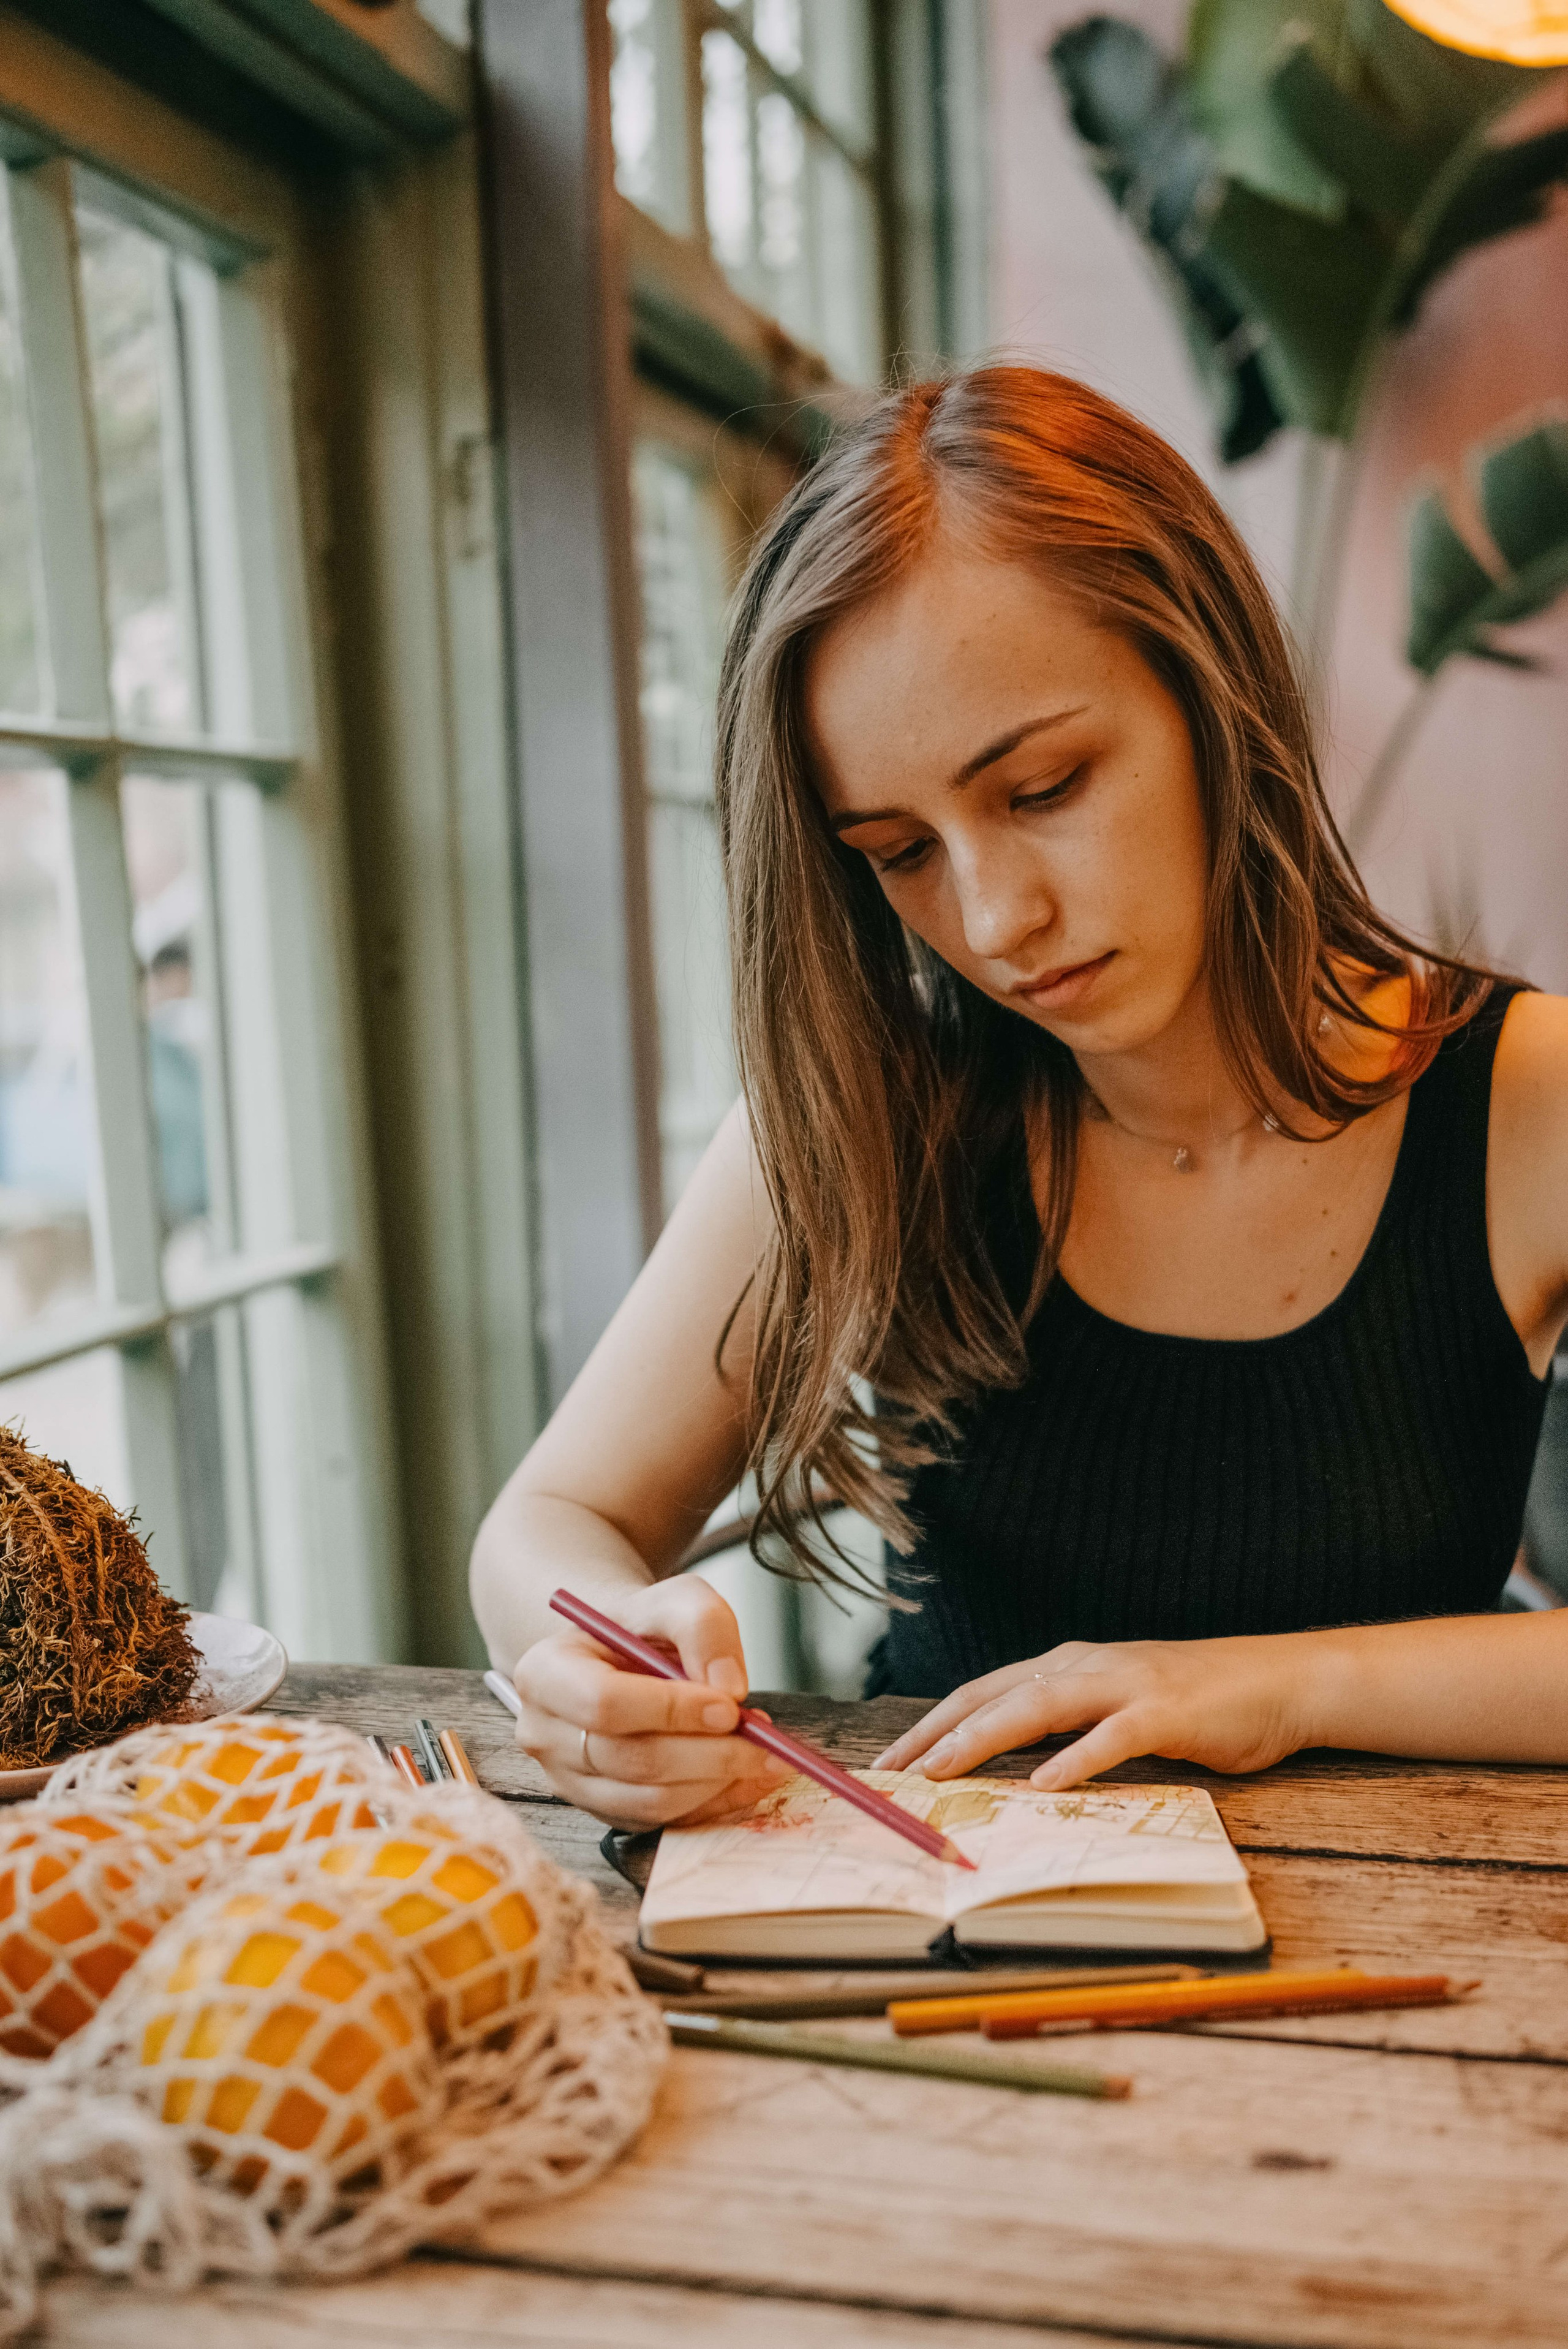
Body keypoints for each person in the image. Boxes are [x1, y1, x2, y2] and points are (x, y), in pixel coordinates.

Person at [471, 367, 1568, 1828]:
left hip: (1408, 1961)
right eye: (897, 851)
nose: (992, 921)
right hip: (919, 1911)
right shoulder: (869, 1112)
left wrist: (1266, 1687)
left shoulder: (1527, 1100)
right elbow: (551, 1523)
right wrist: (593, 1653)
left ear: (1211, 694)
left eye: (1042, 787)